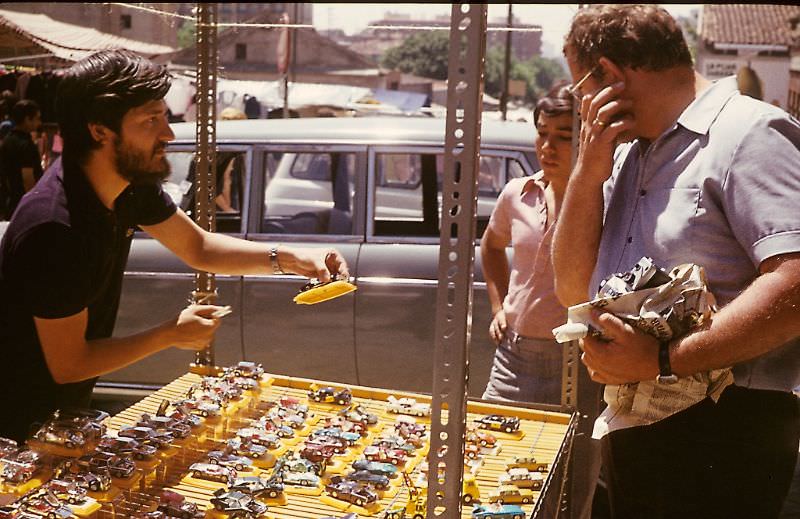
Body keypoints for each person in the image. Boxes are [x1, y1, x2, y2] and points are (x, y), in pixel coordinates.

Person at [0, 49, 349, 443]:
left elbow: (198, 247)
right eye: (151, 120)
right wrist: (169, 334)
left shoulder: (131, 185)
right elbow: (70, 362)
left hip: (63, 420)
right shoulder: (54, 227)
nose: (168, 133)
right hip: (16, 428)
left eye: (165, 116)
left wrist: (290, 258)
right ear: (99, 130)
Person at [552, 5, 800, 518]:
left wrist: (663, 360)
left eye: (581, 89)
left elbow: (795, 281)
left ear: (610, 76)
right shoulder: (627, 153)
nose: (582, 105)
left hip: (725, 429)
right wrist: (589, 166)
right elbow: (572, 287)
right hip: (639, 421)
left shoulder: (748, 134)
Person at [480, 83, 602, 519]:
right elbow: (490, 247)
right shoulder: (517, 193)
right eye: (542, 134)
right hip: (513, 359)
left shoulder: (599, 200)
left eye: (564, 136)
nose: (548, 147)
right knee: (495, 465)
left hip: (578, 363)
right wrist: (498, 307)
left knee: (569, 490)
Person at [0, 100, 43, 219]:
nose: (39, 122)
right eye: (37, 118)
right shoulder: (26, 145)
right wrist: (34, 203)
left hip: (10, 202)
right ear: (27, 119)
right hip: (24, 205)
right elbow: (27, 178)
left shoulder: (7, 141)